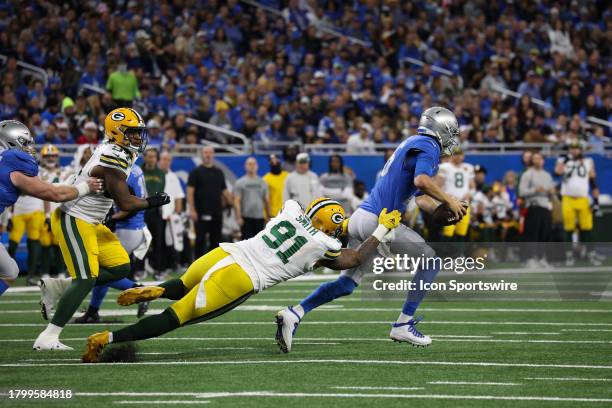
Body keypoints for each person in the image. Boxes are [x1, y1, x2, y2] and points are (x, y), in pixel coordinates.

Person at [81, 198, 402, 362]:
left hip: (227, 252)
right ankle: (106, 339)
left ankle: (152, 289)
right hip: (242, 277)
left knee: (181, 284)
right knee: (174, 318)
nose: (337, 234)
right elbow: (356, 258)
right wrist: (381, 229)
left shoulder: (291, 210)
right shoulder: (324, 246)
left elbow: (301, 211)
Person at [277, 107, 467, 350]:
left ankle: (295, 312)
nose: (452, 140)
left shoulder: (414, 143)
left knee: (346, 284)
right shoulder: (428, 145)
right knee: (430, 261)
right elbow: (422, 181)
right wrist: (450, 199)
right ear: (439, 129)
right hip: (380, 220)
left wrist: (444, 209)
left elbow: (421, 199)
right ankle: (403, 324)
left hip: (362, 218)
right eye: (450, 132)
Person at [33, 108, 170, 350]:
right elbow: (126, 203)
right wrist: (152, 201)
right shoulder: (113, 156)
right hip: (74, 217)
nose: (139, 137)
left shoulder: (119, 150)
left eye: (140, 132)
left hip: (91, 220)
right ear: (118, 133)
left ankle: (59, 286)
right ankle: (48, 337)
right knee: (86, 278)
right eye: (133, 132)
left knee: (120, 267)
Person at [0, 120, 103, 297]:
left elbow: (44, 187)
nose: (29, 148)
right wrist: (85, 187)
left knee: (9, 270)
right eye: (25, 143)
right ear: (9, 141)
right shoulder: (13, 161)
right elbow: (53, 194)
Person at [74, 164, 152, 324]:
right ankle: (92, 312)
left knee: (104, 272)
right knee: (105, 270)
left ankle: (140, 291)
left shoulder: (125, 170)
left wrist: (113, 217)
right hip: (135, 228)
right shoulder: (136, 170)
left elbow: (132, 206)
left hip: (129, 228)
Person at [554, 140, 601, 266]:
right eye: (572, 148)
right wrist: (564, 160)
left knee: (587, 227)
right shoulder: (564, 161)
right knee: (568, 228)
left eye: (577, 148)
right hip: (568, 198)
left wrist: (596, 201)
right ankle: (569, 256)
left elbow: (593, 182)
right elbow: (557, 172)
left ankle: (591, 254)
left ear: (581, 149)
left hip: (583, 198)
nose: (574, 151)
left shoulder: (588, 161)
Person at [7, 148, 45, 285]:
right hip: (19, 209)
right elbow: (10, 192)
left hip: (35, 209)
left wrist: (46, 214)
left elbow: (47, 192)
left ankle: (30, 276)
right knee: (13, 243)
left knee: (34, 242)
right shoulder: (14, 170)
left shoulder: (41, 172)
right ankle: (7, 273)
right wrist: (10, 214)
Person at [187, 146, 232, 258]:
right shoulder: (195, 172)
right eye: (205, 152)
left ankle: (213, 267)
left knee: (216, 241)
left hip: (217, 213)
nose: (208, 154)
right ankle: (197, 267)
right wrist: (192, 210)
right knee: (200, 241)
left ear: (213, 155)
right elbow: (190, 192)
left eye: (210, 152)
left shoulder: (219, 172)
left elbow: (225, 191)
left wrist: (233, 203)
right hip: (201, 213)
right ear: (202, 155)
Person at [519, 151, 556, 269]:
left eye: (539, 158)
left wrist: (552, 193)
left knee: (544, 234)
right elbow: (521, 192)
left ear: (543, 160)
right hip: (534, 206)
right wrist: (535, 190)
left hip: (545, 206)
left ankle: (542, 258)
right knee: (532, 235)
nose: (537, 161)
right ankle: (530, 259)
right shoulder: (528, 174)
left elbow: (552, 193)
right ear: (532, 161)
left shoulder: (547, 175)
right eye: (535, 159)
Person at [436, 150, 475, 244]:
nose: (458, 157)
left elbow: (472, 186)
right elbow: (438, 185)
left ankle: (458, 256)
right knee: (448, 231)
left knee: (462, 232)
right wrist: (444, 197)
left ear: (463, 156)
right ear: (451, 155)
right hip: (449, 203)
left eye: (460, 154)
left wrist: (470, 193)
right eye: (456, 154)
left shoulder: (468, 167)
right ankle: (443, 255)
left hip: (464, 203)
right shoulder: (445, 167)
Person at [38, 144, 65, 279]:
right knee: (45, 245)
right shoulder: (37, 172)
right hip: (42, 214)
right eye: (47, 156)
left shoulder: (65, 172)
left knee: (59, 245)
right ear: (42, 157)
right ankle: (44, 272)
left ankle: (61, 271)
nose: (50, 158)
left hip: (59, 213)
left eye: (53, 156)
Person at [159, 151, 186, 272]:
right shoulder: (155, 175)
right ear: (160, 160)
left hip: (171, 215)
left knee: (173, 242)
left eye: (168, 160)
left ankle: (172, 265)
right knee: (159, 242)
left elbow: (179, 196)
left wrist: (177, 213)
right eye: (164, 159)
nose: (166, 162)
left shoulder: (173, 176)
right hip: (157, 215)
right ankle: (159, 266)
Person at [142, 147, 166, 278]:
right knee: (141, 242)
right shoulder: (139, 171)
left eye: (154, 157)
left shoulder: (160, 173)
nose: (151, 159)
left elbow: (160, 191)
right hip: (141, 211)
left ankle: (158, 269)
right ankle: (139, 269)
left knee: (158, 242)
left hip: (156, 212)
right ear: (144, 157)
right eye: (149, 156)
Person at [233, 157, 270, 239]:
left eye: (254, 164)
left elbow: (266, 200)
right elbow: (236, 201)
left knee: (259, 243)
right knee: (246, 243)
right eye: (249, 164)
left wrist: (268, 216)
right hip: (246, 218)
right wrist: (238, 217)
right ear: (245, 166)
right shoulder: (240, 182)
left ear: (257, 166)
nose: (252, 166)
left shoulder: (263, 182)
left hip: (260, 218)